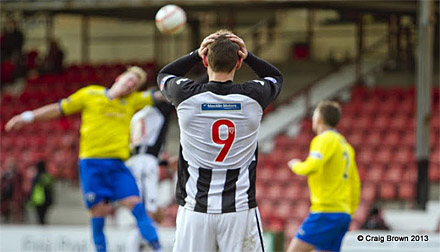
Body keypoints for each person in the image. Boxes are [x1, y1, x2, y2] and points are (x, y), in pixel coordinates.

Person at [5, 66, 163, 252]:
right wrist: (27, 116)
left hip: (117, 165)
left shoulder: (132, 101)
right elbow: (58, 108)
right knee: (98, 213)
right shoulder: (90, 94)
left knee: (136, 204)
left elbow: (162, 95)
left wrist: (192, 85)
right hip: (91, 164)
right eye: (129, 80)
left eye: (134, 85)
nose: (130, 86)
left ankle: (158, 248)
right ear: (119, 78)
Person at [157, 30, 283, 251]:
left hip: (194, 210)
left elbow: (164, 75)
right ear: (238, 63)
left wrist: (196, 53)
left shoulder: (185, 95)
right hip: (239, 210)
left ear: (206, 61)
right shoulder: (253, 96)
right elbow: (275, 77)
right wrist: (249, 55)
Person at [286, 101, 361, 252]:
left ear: (319, 119)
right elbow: (355, 183)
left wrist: (295, 164)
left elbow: (312, 166)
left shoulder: (324, 139)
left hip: (326, 211)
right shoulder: (345, 145)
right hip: (343, 214)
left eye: (314, 116)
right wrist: (349, 212)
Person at [124, 100, 174, 252]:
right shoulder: (159, 112)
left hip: (134, 160)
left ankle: (146, 246)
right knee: (147, 212)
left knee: (143, 213)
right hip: (146, 162)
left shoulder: (138, 115)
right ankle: (154, 247)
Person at [29, 160, 54, 225]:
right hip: (46, 198)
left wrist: (30, 198)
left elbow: (33, 188)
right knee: (43, 217)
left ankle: (41, 228)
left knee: (40, 217)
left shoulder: (36, 176)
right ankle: (43, 227)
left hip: (38, 199)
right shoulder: (47, 176)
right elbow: (51, 187)